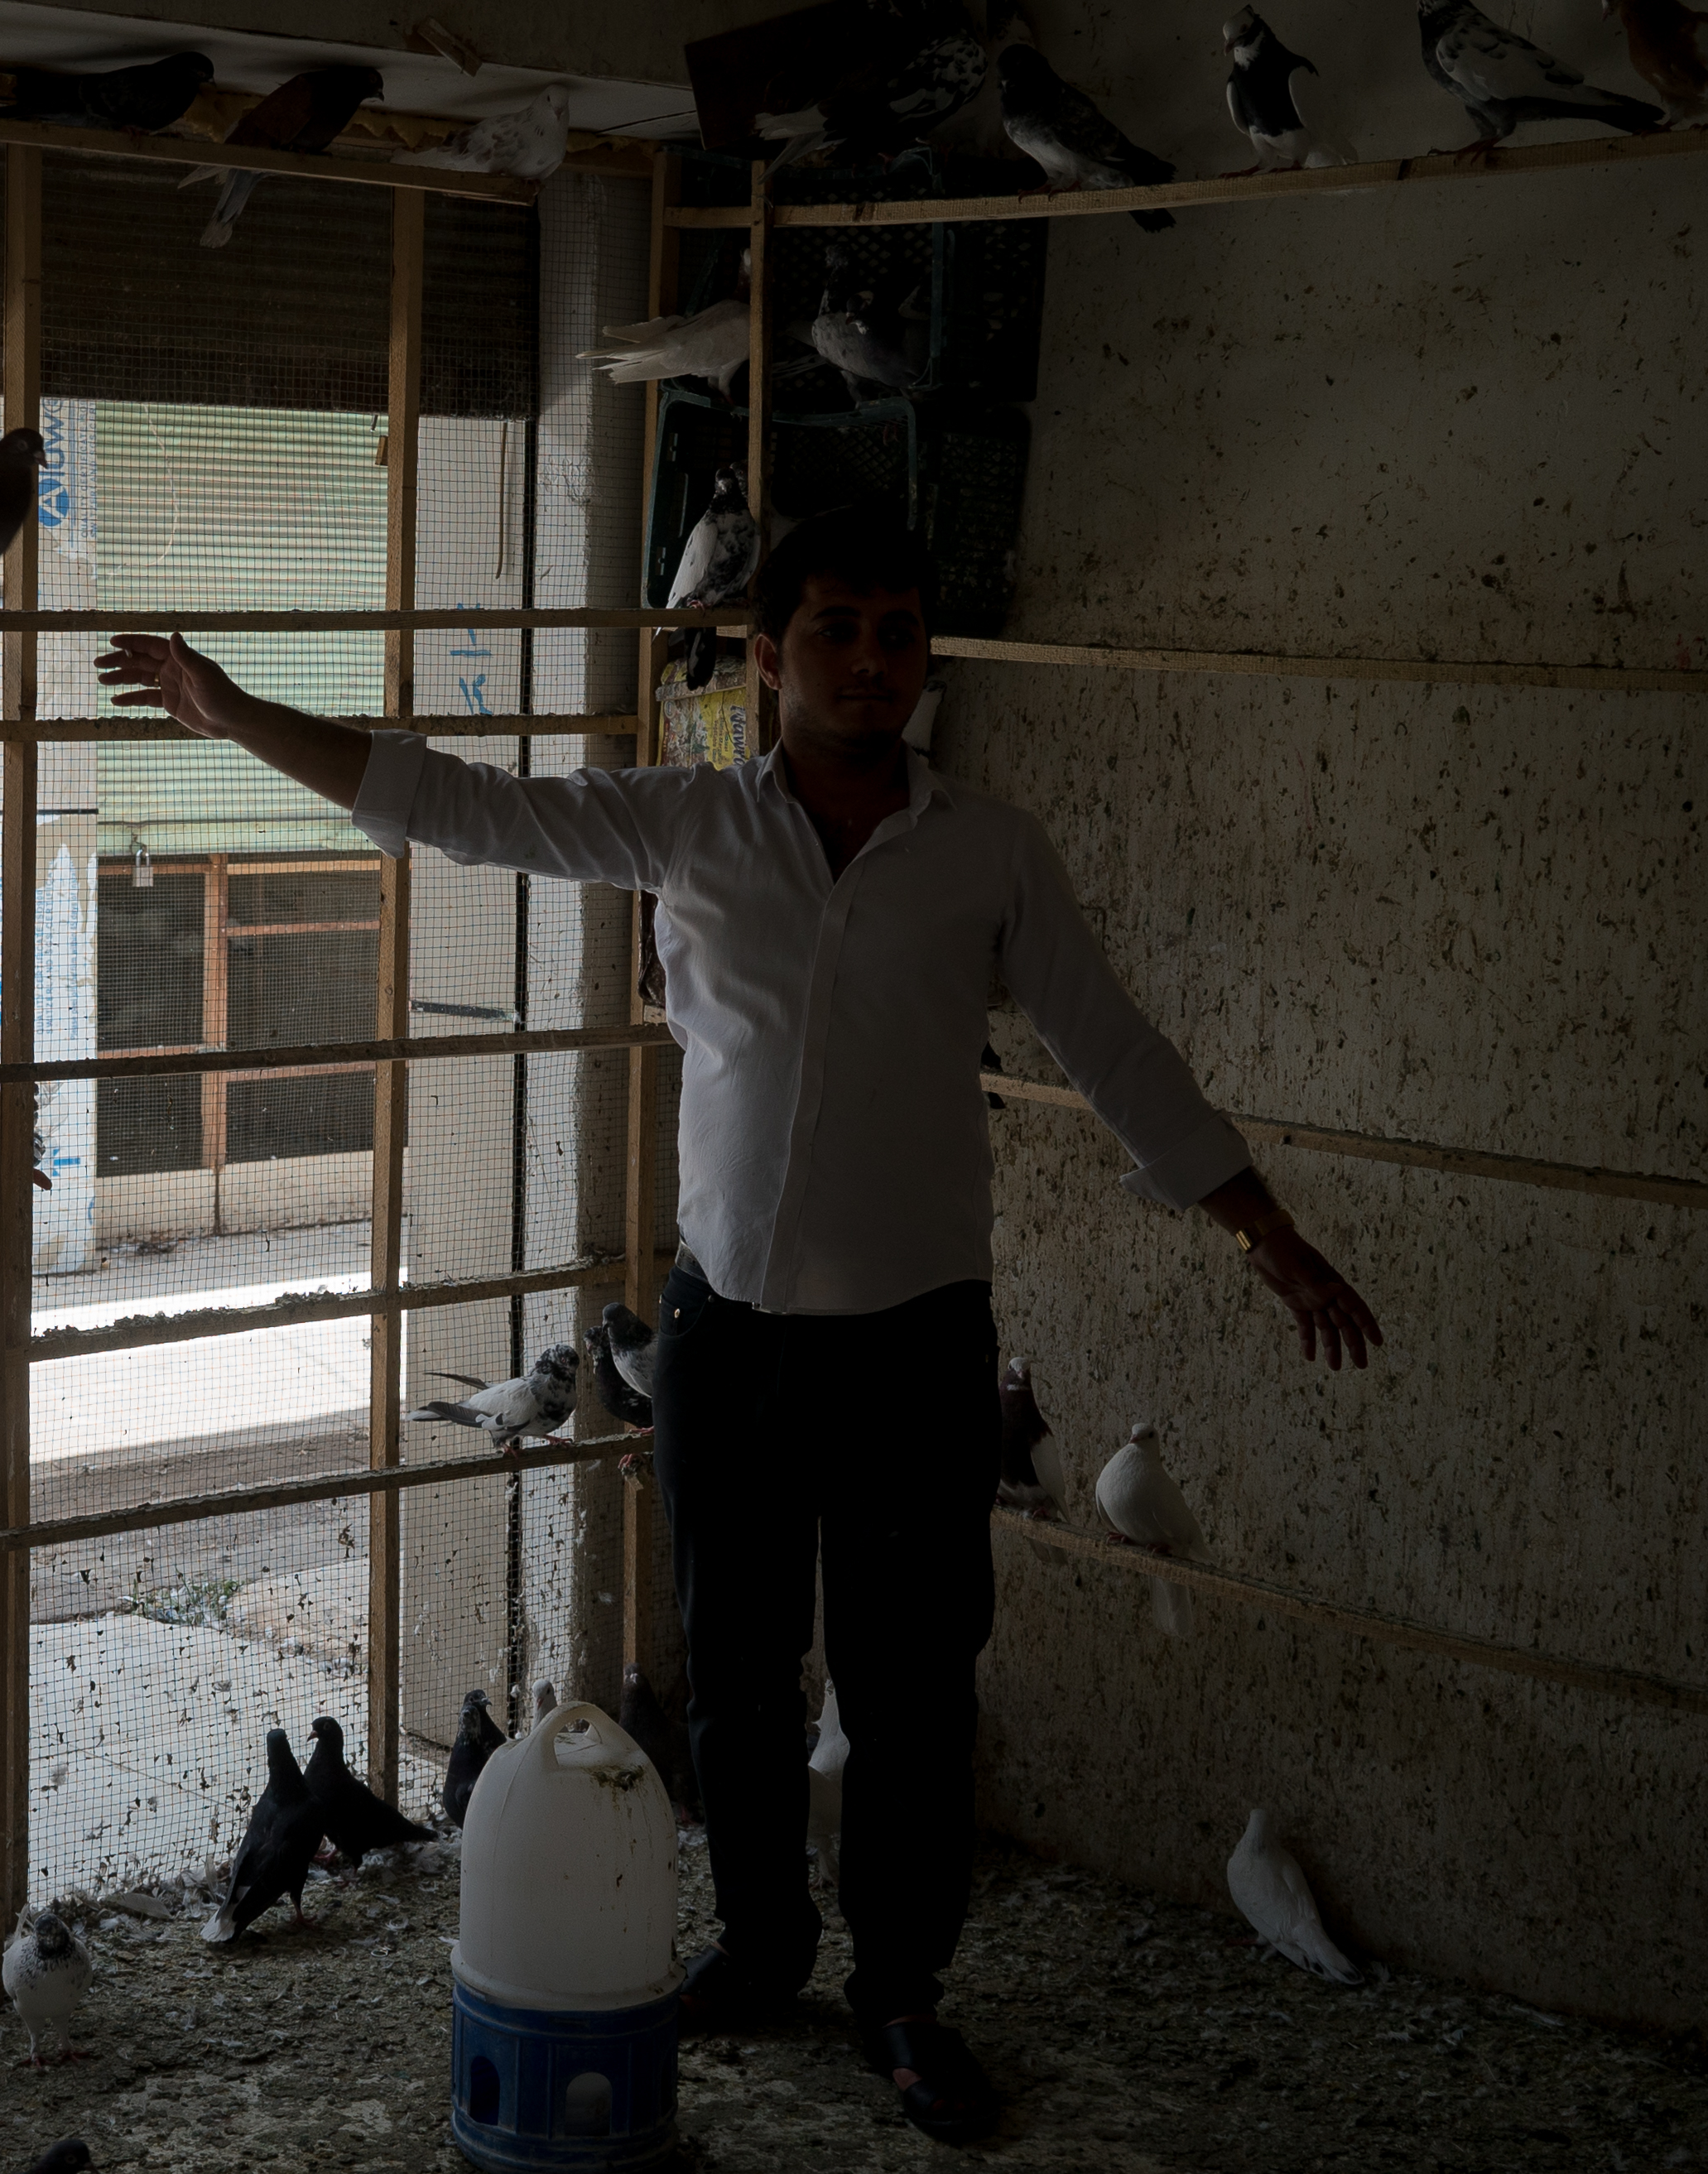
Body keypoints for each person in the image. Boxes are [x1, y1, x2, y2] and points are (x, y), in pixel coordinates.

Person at [97, 511, 1382, 2147]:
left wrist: (1259, 1226)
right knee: (733, 1680)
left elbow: (1113, 1046)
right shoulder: (689, 824)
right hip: (726, 1341)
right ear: (765, 654)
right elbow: (461, 807)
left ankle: (901, 1989)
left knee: (913, 1684)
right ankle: (767, 1944)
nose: (870, 662)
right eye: (836, 629)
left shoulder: (987, 851)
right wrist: (234, 712)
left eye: (899, 634)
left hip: (919, 1348)